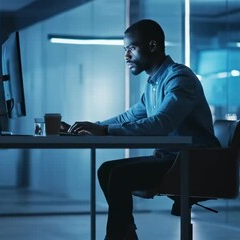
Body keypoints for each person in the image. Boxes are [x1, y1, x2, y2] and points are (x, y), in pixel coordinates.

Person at [62, 19, 220, 240]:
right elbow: (131, 116)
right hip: (173, 159)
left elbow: (160, 124)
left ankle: (118, 236)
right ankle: (126, 233)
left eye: (131, 48)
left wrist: (105, 131)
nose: (126, 56)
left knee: (118, 174)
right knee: (106, 170)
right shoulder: (154, 84)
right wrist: (92, 127)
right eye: (125, 50)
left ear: (152, 46)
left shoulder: (179, 78)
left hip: (192, 163)